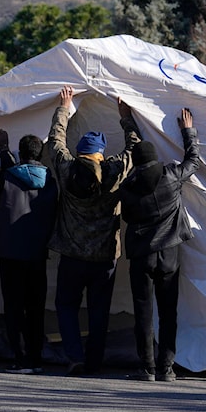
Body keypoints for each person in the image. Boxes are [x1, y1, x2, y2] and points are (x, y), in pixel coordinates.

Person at [46, 86, 140, 375]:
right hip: (104, 258)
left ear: (80, 152)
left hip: (72, 254)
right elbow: (134, 149)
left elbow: (54, 141)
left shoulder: (67, 170)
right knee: (99, 311)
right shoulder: (112, 173)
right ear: (100, 154)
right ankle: (95, 360)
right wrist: (125, 117)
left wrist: (65, 107)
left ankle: (75, 355)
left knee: (66, 305)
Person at [119, 108, 201, 382]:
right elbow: (194, 160)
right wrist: (187, 130)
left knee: (143, 312)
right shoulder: (170, 175)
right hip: (169, 252)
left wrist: (127, 121)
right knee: (168, 313)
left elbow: (128, 217)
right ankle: (167, 368)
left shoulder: (128, 186)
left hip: (142, 254)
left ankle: (146, 368)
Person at [0, 129, 57, 375]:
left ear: (21, 152)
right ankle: (35, 356)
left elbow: (11, 176)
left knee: (14, 306)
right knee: (36, 307)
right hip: (37, 252)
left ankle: (18, 357)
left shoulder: (7, 176)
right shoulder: (50, 180)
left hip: (9, 252)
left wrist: (3, 149)